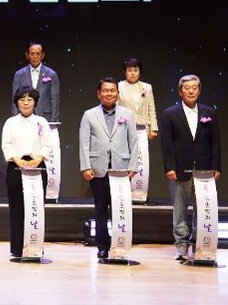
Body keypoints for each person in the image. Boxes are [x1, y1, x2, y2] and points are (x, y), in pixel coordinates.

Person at [160, 74, 221, 261]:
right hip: (179, 169)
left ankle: (200, 244)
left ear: (199, 90)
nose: (191, 91)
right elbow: (166, 143)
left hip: (204, 170)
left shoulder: (209, 113)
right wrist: (169, 167)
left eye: (194, 87)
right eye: (187, 88)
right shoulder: (170, 113)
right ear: (180, 91)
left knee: (202, 209)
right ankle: (181, 246)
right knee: (179, 210)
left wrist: (216, 167)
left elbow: (215, 142)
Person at [79, 77, 138, 259]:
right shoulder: (89, 115)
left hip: (121, 170)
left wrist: (133, 166)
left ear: (117, 93)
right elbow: (84, 142)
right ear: (99, 94)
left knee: (121, 209)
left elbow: (133, 141)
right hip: (98, 169)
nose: (109, 93)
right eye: (105, 90)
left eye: (112, 90)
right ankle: (102, 246)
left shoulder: (127, 114)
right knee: (101, 210)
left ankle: (120, 243)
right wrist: (85, 167)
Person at [1, 86, 51, 258]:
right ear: (17, 103)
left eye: (30, 99)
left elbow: (47, 145)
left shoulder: (42, 122)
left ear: (35, 102)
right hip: (16, 168)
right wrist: (18, 160)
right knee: (17, 208)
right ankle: (17, 248)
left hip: (37, 167)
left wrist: (38, 159)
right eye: (22, 100)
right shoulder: (10, 122)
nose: (26, 103)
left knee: (36, 208)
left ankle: (35, 247)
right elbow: (6, 145)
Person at [117, 58, 158, 202]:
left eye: (135, 70)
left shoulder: (147, 87)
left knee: (141, 161)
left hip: (141, 129)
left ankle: (139, 195)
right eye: (129, 70)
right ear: (125, 72)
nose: (133, 73)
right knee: (124, 160)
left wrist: (153, 128)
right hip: (124, 130)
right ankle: (123, 194)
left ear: (139, 72)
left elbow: (151, 108)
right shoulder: (119, 86)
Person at [11, 42, 59, 122]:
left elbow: (55, 100)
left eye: (38, 54)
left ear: (42, 55)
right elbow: (15, 99)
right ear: (27, 55)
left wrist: (53, 122)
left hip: (45, 117)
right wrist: (15, 120)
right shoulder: (19, 74)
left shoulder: (51, 74)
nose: (35, 57)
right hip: (24, 117)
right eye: (32, 54)